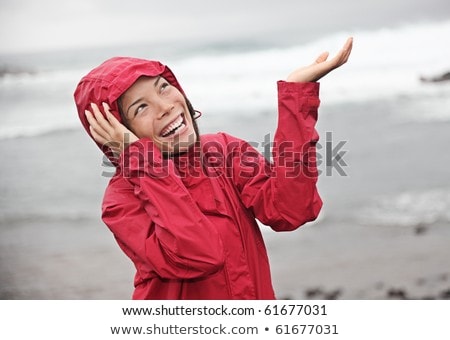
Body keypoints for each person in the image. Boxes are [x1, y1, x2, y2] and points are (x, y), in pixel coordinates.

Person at [74, 37, 353, 299]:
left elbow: (291, 210)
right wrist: (143, 163)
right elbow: (200, 255)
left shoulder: (224, 152)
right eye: (141, 108)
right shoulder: (121, 202)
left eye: (163, 87)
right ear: (117, 132)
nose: (166, 107)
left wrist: (296, 96)